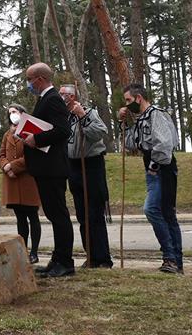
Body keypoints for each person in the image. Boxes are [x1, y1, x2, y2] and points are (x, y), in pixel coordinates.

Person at [120, 82, 183, 274]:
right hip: (150, 166)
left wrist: (154, 166)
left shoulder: (157, 114)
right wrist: (124, 123)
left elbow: (165, 144)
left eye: (129, 100)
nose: (127, 104)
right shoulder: (139, 119)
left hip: (162, 167)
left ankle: (172, 258)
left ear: (139, 98)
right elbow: (130, 145)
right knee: (164, 213)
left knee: (154, 210)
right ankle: (173, 261)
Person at [20, 62, 74, 277]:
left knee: (59, 215)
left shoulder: (52, 100)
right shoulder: (45, 99)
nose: (28, 84)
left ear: (40, 79)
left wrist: (37, 138)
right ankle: (57, 258)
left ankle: (65, 262)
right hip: (45, 168)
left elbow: (63, 130)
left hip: (52, 168)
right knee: (53, 214)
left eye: (29, 79)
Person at [61, 84, 113, 268]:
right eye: (60, 94)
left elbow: (100, 132)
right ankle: (90, 255)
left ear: (73, 96)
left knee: (94, 214)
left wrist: (82, 116)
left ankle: (103, 258)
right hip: (73, 166)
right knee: (82, 215)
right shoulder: (63, 117)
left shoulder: (89, 112)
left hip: (91, 165)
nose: (61, 97)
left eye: (64, 94)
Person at [0, 103, 42, 263]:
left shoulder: (29, 131)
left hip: (28, 180)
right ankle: (22, 250)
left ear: (22, 113)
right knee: (20, 219)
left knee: (33, 217)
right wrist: (5, 166)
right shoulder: (6, 135)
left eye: (15, 111)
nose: (12, 114)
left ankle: (34, 252)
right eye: (10, 112)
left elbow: (32, 155)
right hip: (12, 182)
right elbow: (1, 154)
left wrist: (14, 166)